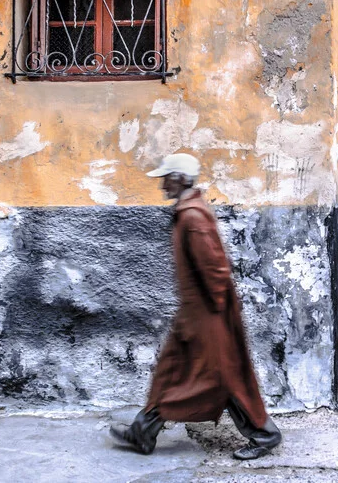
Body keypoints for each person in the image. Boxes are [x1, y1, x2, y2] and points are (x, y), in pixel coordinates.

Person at [109, 153, 282, 460]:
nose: (162, 183)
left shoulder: (193, 217)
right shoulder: (188, 212)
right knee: (171, 370)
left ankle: (264, 434)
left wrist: (212, 317)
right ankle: (142, 433)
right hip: (195, 312)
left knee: (222, 376)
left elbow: (215, 270)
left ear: (182, 179)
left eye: (167, 177)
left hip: (206, 315)